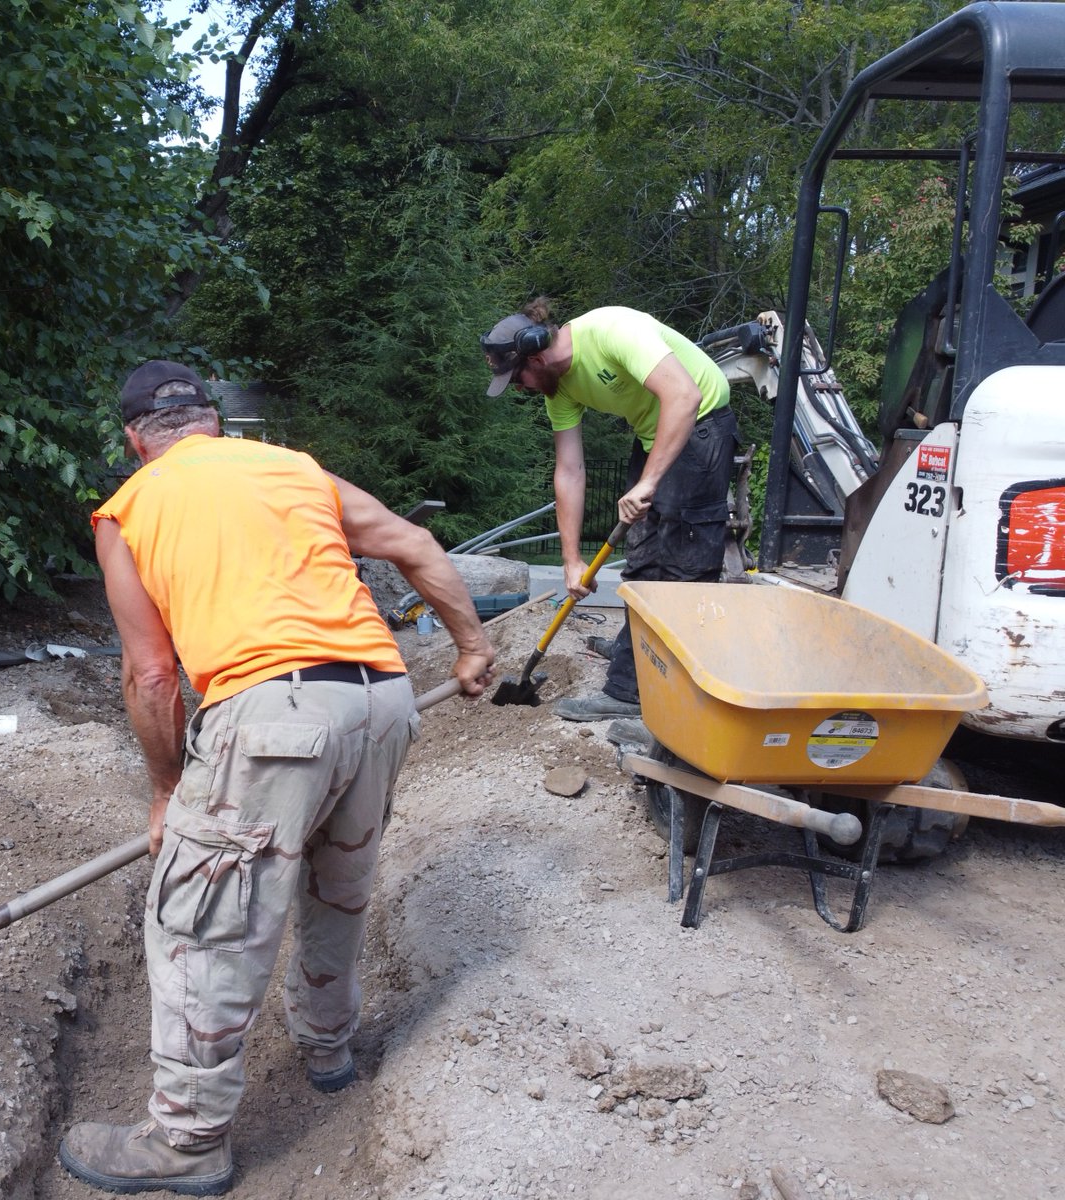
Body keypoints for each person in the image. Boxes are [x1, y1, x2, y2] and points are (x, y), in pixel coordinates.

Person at [58, 361, 495, 1195]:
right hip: (383, 699)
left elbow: (151, 675)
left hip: (274, 713)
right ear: (214, 423)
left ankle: (187, 1140)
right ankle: (327, 1049)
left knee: (205, 924)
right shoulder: (295, 469)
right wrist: (472, 647)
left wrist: (166, 792)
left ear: (135, 440)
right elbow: (414, 544)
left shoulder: (130, 509)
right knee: (338, 884)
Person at [481, 298, 736, 723]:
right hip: (652, 434)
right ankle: (633, 671)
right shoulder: (558, 389)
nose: (519, 389)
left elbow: (685, 395)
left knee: (685, 570)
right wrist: (571, 560)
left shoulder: (612, 331)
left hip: (702, 423)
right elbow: (569, 471)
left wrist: (648, 482)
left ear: (537, 358)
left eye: (517, 378)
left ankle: (671, 701)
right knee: (643, 563)